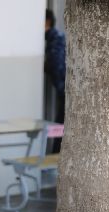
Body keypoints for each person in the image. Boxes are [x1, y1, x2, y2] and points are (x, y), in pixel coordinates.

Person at [44, 8, 66, 152]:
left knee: (61, 127)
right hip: (64, 91)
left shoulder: (55, 39)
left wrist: (62, 88)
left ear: (47, 22)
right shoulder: (56, 37)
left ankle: (56, 157)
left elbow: (56, 65)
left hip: (65, 92)